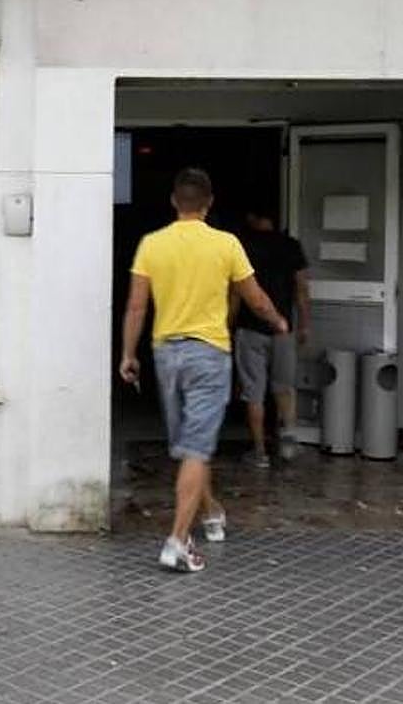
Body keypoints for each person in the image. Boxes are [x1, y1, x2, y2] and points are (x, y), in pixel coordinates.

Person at [119, 168, 288, 573]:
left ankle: (212, 514)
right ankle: (177, 540)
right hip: (209, 353)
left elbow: (137, 306)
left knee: (191, 444)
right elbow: (255, 297)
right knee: (196, 448)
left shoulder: (151, 245)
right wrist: (279, 321)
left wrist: (128, 353)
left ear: (174, 202)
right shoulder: (226, 243)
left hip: (166, 355)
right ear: (208, 203)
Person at [233, 207, 311, 469]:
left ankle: (259, 453)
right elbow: (302, 290)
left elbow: (236, 293)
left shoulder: (243, 247)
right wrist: (304, 326)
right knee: (283, 387)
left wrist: (228, 325)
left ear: (253, 218)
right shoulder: (291, 246)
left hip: (250, 328)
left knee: (253, 393)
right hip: (283, 329)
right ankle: (288, 444)